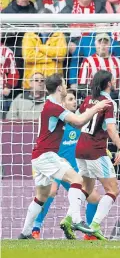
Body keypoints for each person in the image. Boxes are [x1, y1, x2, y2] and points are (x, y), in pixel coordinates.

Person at [19, 73, 110, 239]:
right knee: (77, 180)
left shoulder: (51, 106)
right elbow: (78, 120)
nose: (67, 87)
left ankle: (25, 232)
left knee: (41, 196)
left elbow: (78, 123)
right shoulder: (54, 107)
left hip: (40, 156)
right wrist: (96, 108)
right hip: (46, 155)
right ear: (60, 88)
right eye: (65, 85)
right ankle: (76, 219)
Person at [31, 89, 101, 241]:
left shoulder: (79, 122)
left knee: (94, 197)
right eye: (70, 99)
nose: (74, 101)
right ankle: (35, 228)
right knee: (50, 191)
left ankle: (88, 232)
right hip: (56, 165)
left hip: (73, 169)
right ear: (62, 103)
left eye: (75, 99)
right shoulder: (58, 122)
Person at [75, 70, 120, 240]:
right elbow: (111, 128)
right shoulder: (109, 102)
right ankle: (94, 225)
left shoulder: (88, 100)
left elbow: (78, 119)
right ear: (109, 83)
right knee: (113, 190)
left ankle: (70, 218)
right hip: (95, 150)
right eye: (113, 79)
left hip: (80, 148)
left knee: (87, 188)